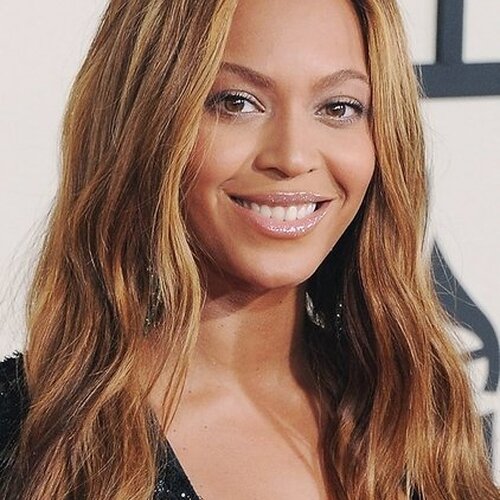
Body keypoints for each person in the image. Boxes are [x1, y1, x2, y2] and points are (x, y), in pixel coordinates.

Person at [0, 0, 498, 498]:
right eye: (237, 103)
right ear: (145, 120)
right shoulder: (25, 432)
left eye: (338, 108)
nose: (293, 157)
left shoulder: (419, 414)